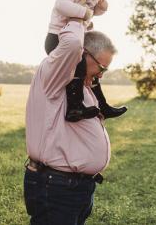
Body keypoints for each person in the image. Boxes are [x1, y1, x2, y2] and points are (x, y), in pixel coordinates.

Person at [25, 20, 117, 225]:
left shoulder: (80, 85)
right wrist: (81, 14)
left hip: (77, 188)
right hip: (57, 187)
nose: (101, 74)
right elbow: (74, 42)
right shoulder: (54, 78)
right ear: (83, 55)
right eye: (101, 67)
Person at [44, 0, 126, 122]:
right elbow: (62, 5)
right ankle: (74, 107)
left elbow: (90, 13)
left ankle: (102, 105)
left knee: (90, 70)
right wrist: (85, 12)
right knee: (80, 66)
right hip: (57, 39)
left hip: (75, 38)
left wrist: (99, 10)